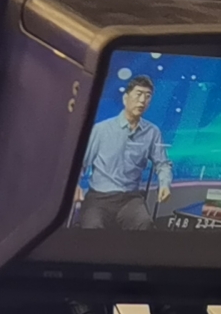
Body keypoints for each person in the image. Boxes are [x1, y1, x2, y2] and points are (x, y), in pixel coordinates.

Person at [74, 74, 173, 231]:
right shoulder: (101, 130)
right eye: (139, 94)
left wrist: (165, 184)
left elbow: (163, 164)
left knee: (145, 225)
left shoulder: (152, 132)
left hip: (130, 199)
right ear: (125, 98)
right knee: (92, 229)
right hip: (99, 198)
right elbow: (81, 163)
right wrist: (75, 185)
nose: (142, 100)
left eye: (147, 96)